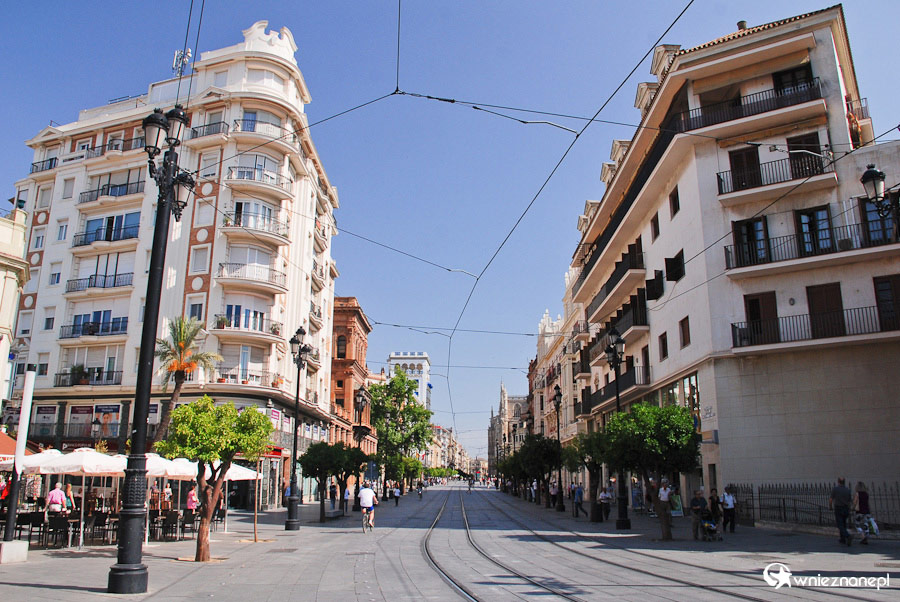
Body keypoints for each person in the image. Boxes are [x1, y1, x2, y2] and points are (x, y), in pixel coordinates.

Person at [830, 477, 853, 546]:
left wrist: (830, 506)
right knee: (843, 523)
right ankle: (842, 538)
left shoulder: (835, 489)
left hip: (838, 508)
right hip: (846, 508)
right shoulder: (848, 490)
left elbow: (831, 499)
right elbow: (849, 500)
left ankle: (847, 536)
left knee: (840, 524)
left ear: (838, 482)